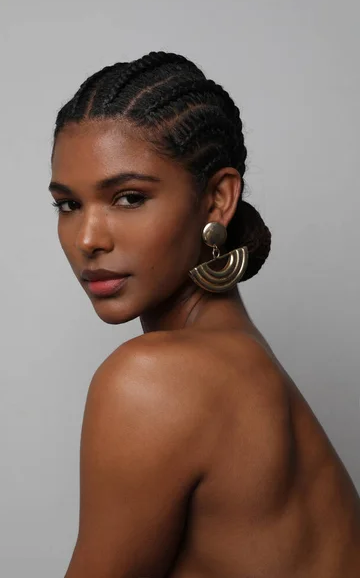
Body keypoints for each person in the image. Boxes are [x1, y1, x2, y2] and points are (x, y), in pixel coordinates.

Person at [49, 51, 360, 578]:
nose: (87, 239)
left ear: (218, 199)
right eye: (68, 204)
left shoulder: (155, 379)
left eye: (127, 197)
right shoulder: (246, 365)